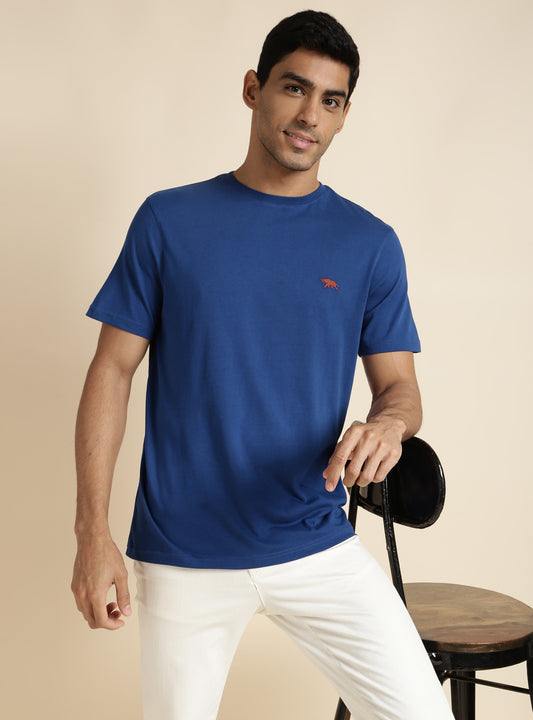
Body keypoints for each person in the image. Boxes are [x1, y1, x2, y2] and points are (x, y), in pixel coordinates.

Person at [71, 10, 454, 720]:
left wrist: (388, 427)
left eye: (330, 100)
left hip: (314, 541)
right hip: (183, 551)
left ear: (344, 116)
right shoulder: (168, 221)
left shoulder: (369, 244)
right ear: (253, 88)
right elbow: (111, 372)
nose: (309, 115)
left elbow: (400, 389)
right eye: (293, 88)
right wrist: (92, 536)